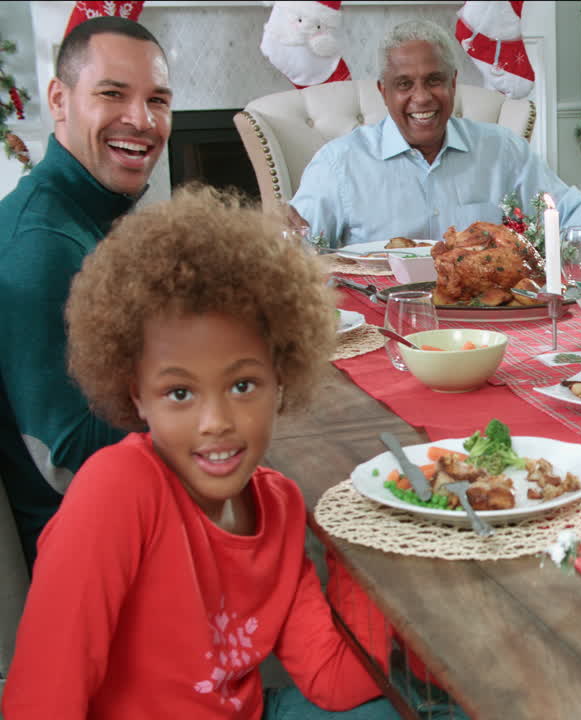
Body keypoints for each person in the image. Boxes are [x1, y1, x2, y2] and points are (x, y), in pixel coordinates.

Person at [2, 186, 400, 719]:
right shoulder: (116, 490)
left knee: (405, 708)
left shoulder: (278, 505)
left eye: (242, 386)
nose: (216, 423)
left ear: (281, 377)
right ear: (134, 393)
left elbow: (334, 682)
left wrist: (362, 539)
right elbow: (41, 699)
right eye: (180, 393)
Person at [0, 16, 171, 570]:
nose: (142, 121)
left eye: (158, 100)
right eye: (112, 94)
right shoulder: (42, 246)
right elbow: (68, 460)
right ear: (59, 98)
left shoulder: (86, 213)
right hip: (88, 557)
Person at [290, 19, 581, 255]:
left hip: (486, 318)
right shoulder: (339, 163)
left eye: (434, 80)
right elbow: (298, 245)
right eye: (404, 85)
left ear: (453, 83)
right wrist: (275, 234)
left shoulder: (501, 149)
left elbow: (562, 209)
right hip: (383, 321)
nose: (422, 97)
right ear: (384, 92)